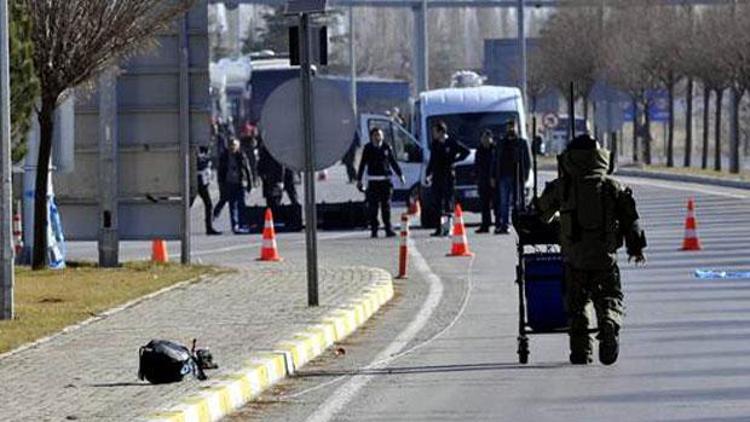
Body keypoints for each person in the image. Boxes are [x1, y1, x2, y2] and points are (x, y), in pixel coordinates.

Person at [534, 134, 647, 366]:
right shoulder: (612, 187)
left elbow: (541, 213)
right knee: (610, 297)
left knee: (576, 305)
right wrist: (636, 248)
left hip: (574, 259)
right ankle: (608, 322)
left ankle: (580, 352)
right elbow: (631, 221)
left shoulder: (562, 186)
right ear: (601, 156)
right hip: (605, 258)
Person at [356, 127, 405, 238]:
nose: (378, 137)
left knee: (386, 206)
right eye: (375, 135)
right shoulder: (368, 148)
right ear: (371, 137)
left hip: (385, 181)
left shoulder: (386, 147)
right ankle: (374, 229)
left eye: (379, 135)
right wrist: (359, 180)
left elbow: (393, 162)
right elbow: (362, 164)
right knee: (373, 207)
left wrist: (400, 175)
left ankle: (388, 228)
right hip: (373, 181)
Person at [425, 120, 470, 237]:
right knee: (437, 203)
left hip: (448, 176)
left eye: (435, 131)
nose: (433, 134)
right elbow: (432, 161)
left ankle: (448, 227)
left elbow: (466, 151)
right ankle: (439, 228)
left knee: (448, 202)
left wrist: (455, 161)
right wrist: (428, 174)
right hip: (437, 176)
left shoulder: (451, 142)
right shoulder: (434, 144)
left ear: (441, 131)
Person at [493, 120, 531, 234]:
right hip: (504, 176)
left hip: (517, 176)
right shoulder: (501, 143)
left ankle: (520, 224)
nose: (510, 130)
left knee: (518, 202)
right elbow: (495, 160)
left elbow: (527, 161)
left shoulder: (521, 143)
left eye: (512, 127)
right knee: (504, 202)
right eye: (509, 127)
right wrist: (494, 176)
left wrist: (525, 176)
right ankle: (504, 225)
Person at [217, 138, 252, 234]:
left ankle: (242, 224)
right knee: (232, 205)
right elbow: (220, 172)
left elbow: (247, 170)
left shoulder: (241, 156)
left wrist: (250, 183)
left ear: (238, 147)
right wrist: (221, 184)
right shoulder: (224, 156)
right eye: (231, 145)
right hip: (229, 183)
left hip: (240, 183)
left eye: (234, 146)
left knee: (241, 204)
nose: (232, 147)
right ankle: (235, 225)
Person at [194, 146, 221, 235]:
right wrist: (206, 159)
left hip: (203, 182)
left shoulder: (205, 155)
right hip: (197, 182)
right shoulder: (196, 151)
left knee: (208, 204)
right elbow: (199, 163)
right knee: (187, 205)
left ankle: (209, 228)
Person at [475, 129, 497, 233]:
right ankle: (485, 225)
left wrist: (495, 177)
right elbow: (477, 165)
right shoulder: (479, 150)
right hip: (483, 181)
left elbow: (498, 164)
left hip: (494, 181)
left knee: (497, 204)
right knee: (484, 205)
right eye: (483, 138)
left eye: (487, 138)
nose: (485, 140)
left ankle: (498, 224)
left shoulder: (495, 149)